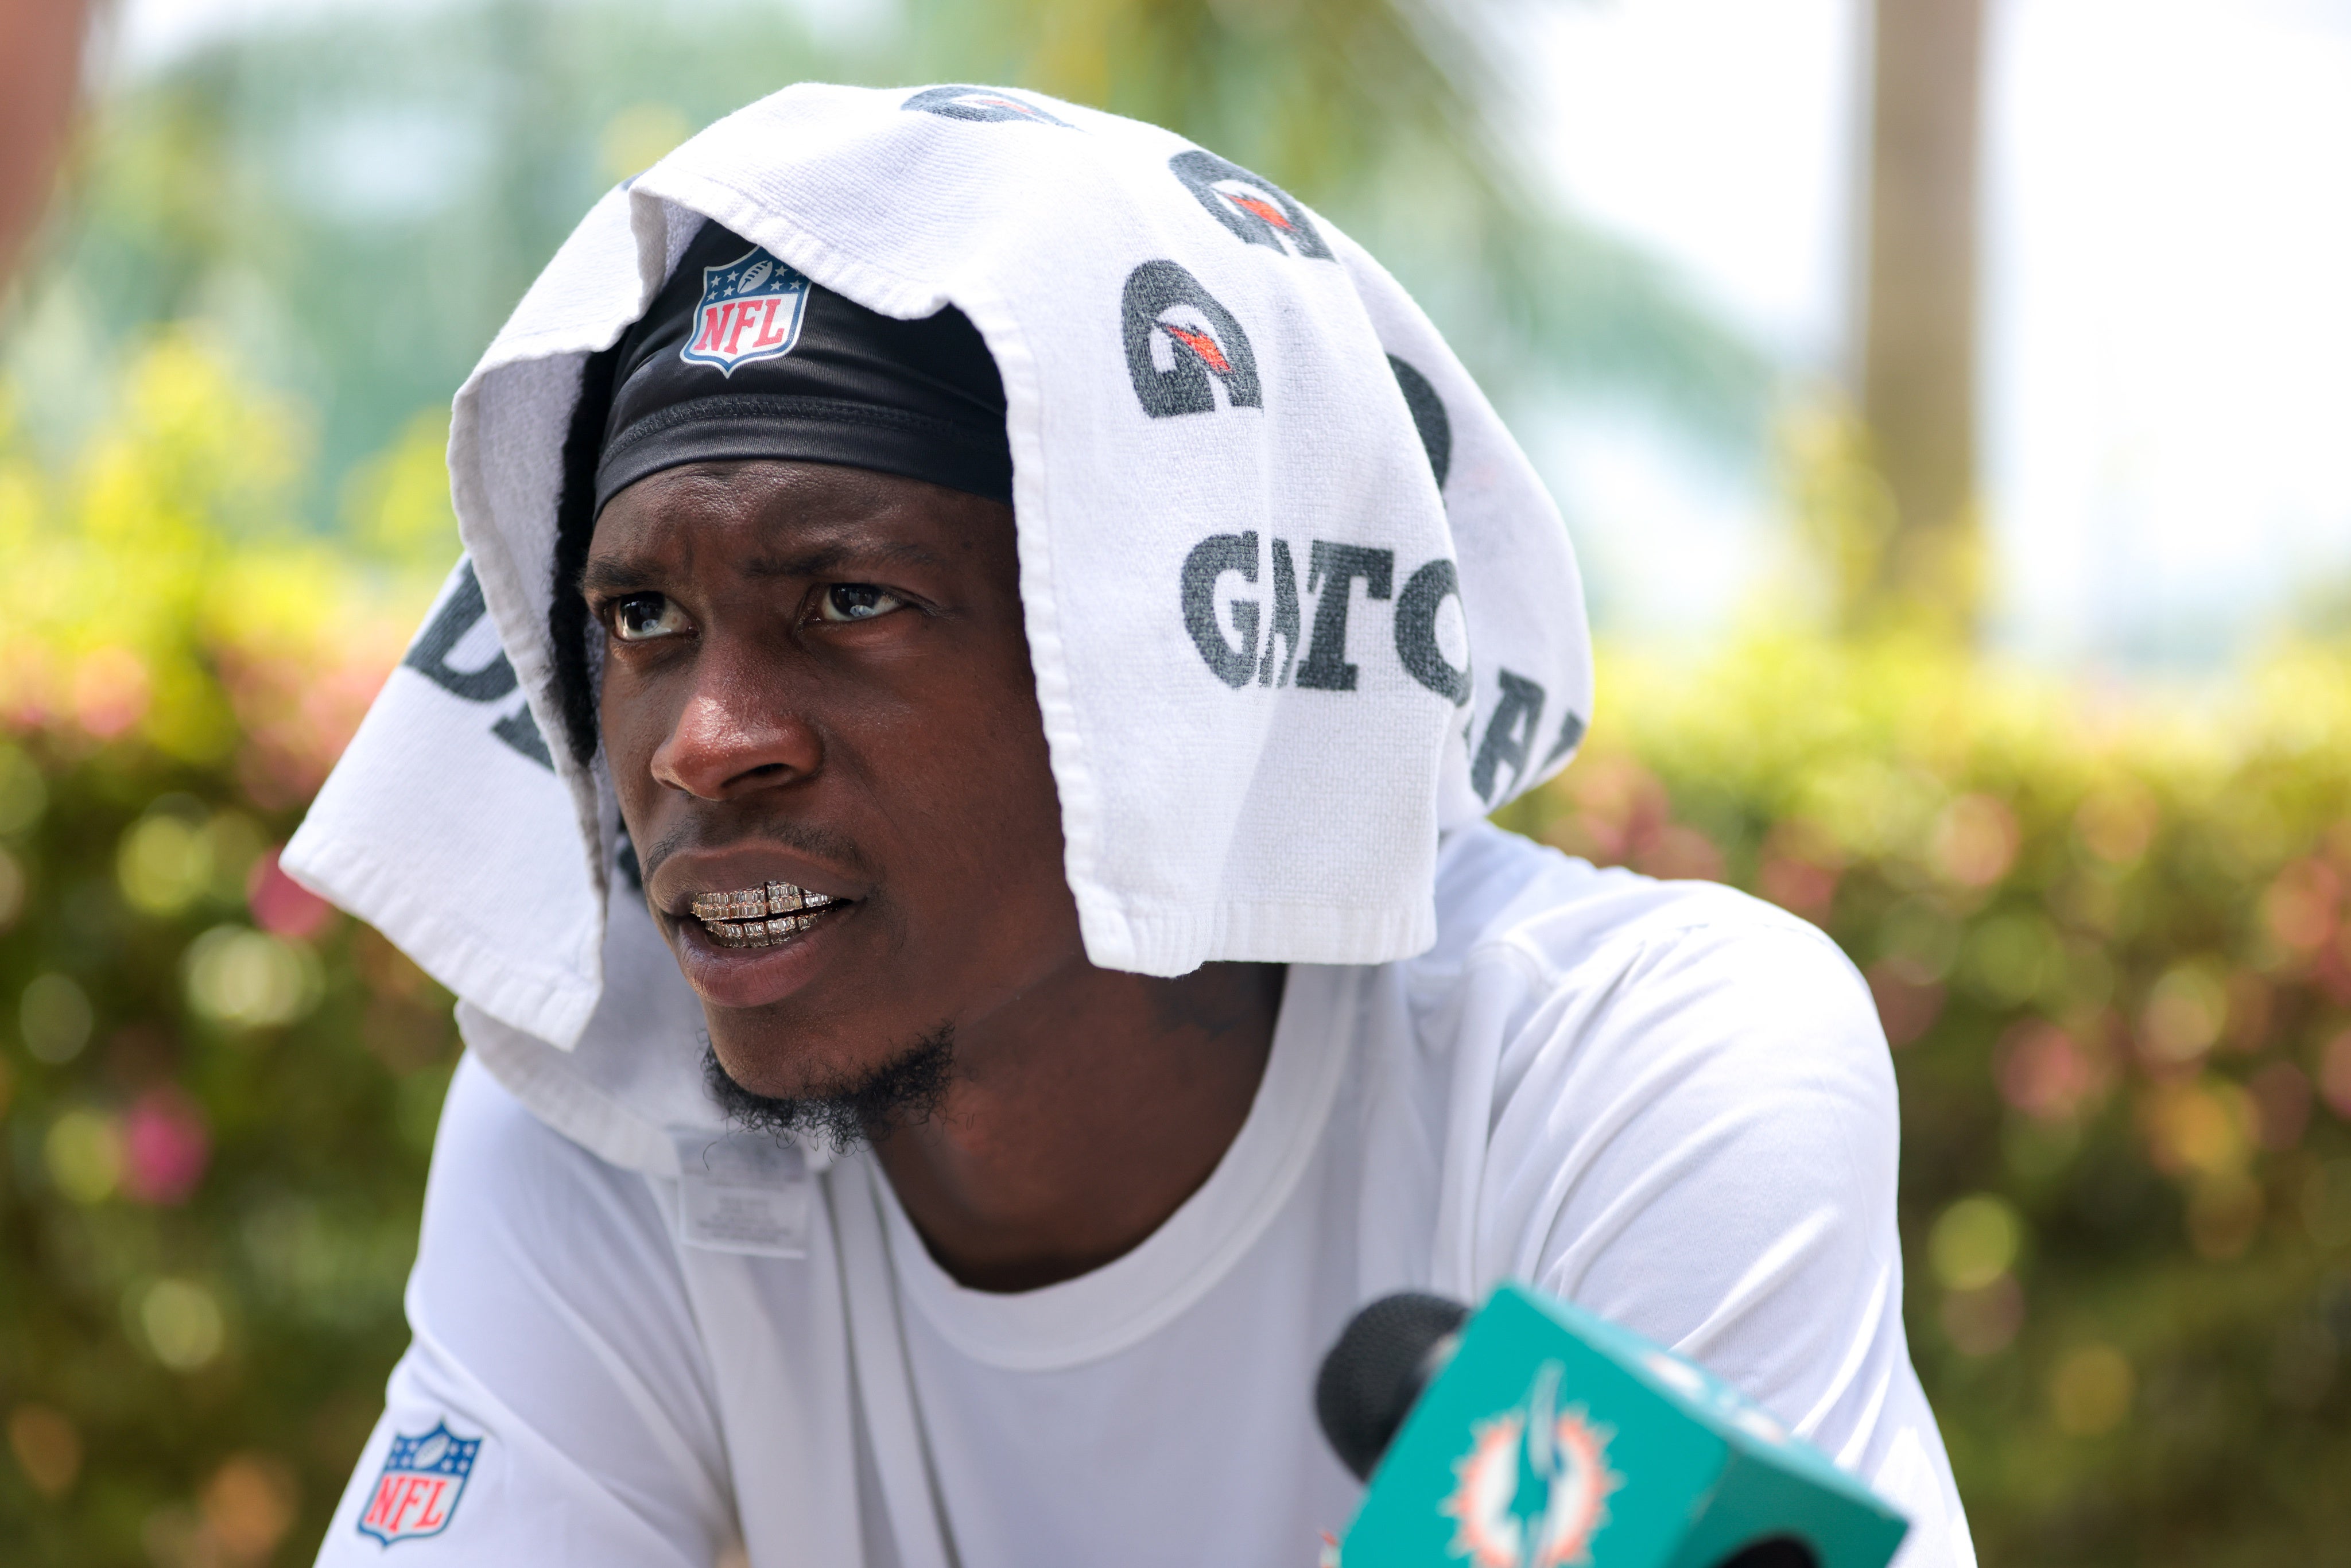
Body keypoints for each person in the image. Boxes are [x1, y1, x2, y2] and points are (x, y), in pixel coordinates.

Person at [290, 83, 1973, 1568]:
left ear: (1174, 668)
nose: (703, 741)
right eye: (642, 618)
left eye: (853, 598)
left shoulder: (1626, 1072)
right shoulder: (610, 1121)